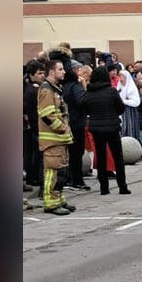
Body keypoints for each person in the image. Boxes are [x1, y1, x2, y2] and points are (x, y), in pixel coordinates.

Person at [81, 66, 131, 195]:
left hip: (96, 128)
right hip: (112, 126)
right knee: (118, 157)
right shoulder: (112, 91)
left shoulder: (89, 93)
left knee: (101, 156)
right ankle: (122, 187)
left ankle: (104, 188)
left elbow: (85, 109)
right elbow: (120, 108)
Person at [37, 60, 75, 215]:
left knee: (62, 172)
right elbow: (47, 115)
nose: (64, 72)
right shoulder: (47, 90)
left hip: (60, 139)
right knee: (53, 173)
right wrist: (62, 128)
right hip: (53, 140)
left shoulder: (55, 89)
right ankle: (50, 203)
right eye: (60, 69)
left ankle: (58, 199)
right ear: (51, 72)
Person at [61, 60, 90, 191]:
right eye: (78, 70)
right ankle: (77, 181)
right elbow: (82, 101)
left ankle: (68, 178)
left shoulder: (62, 85)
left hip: (66, 122)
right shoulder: (75, 85)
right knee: (77, 153)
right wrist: (84, 86)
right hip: (77, 122)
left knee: (68, 153)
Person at [23, 60, 45, 188]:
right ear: (31, 75)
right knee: (35, 154)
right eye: (39, 73)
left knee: (31, 153)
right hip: (36, 126)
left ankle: (32, 177)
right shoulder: (34, 90)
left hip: (32, 125)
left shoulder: (30, 88)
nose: (42, 75)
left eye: (43, 72)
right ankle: (34, 177)